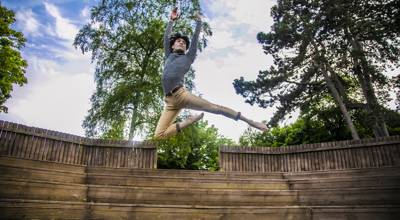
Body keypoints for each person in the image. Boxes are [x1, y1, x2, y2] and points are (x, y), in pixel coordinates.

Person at [155, 7, 268, 140]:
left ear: (186, 48)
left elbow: (195, 40)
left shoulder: (188, 58)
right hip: (169, 102)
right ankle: (188, 121)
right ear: (172, 46)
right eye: (179, 41)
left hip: (181, 95)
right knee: (159, 135)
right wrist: (171, 21)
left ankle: (250, 121)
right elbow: (166, 37)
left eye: (184, 43)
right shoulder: (168, 55)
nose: (182, 43)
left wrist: (198, 24)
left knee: (215, 108)